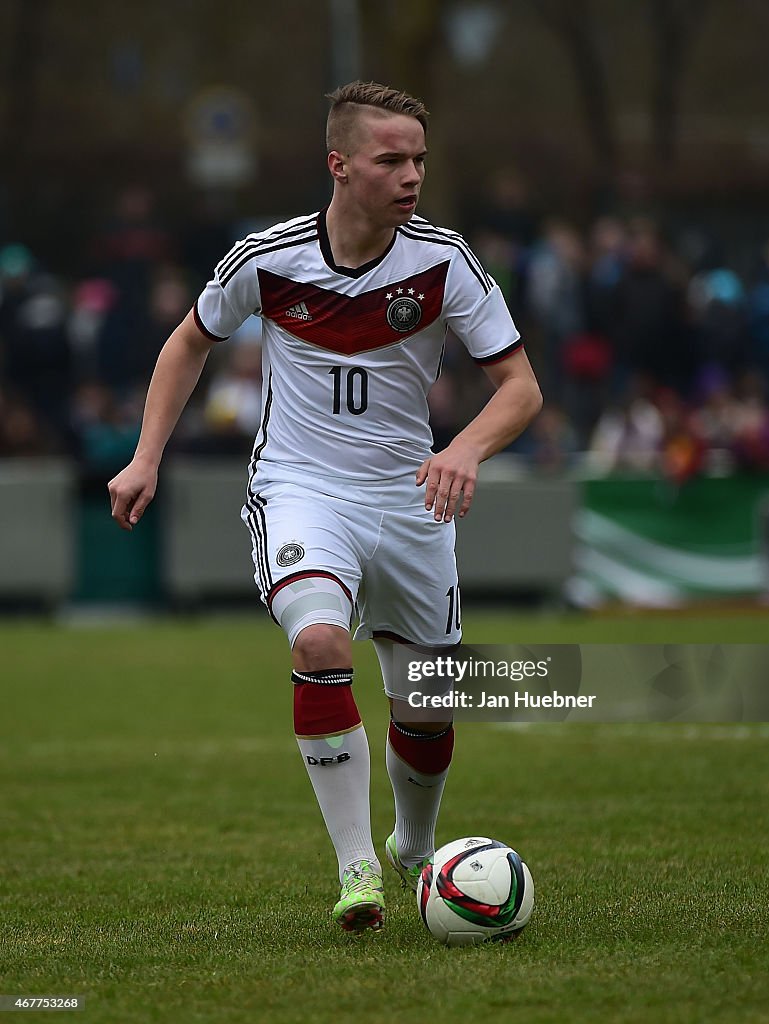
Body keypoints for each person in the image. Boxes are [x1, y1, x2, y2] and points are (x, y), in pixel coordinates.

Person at [108, 81, 542, 934]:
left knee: (425, 701)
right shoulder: (267, 259)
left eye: (419, 158)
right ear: (339, 166)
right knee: (317, 640)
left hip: (412, 496)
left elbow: (520, 389)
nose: (411, 174)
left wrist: (462, 449)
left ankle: (414, 849)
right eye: (391, 159)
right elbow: (188, 341)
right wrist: (145, 454)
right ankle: (355, 871)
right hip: (302, 488)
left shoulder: (444, 260)